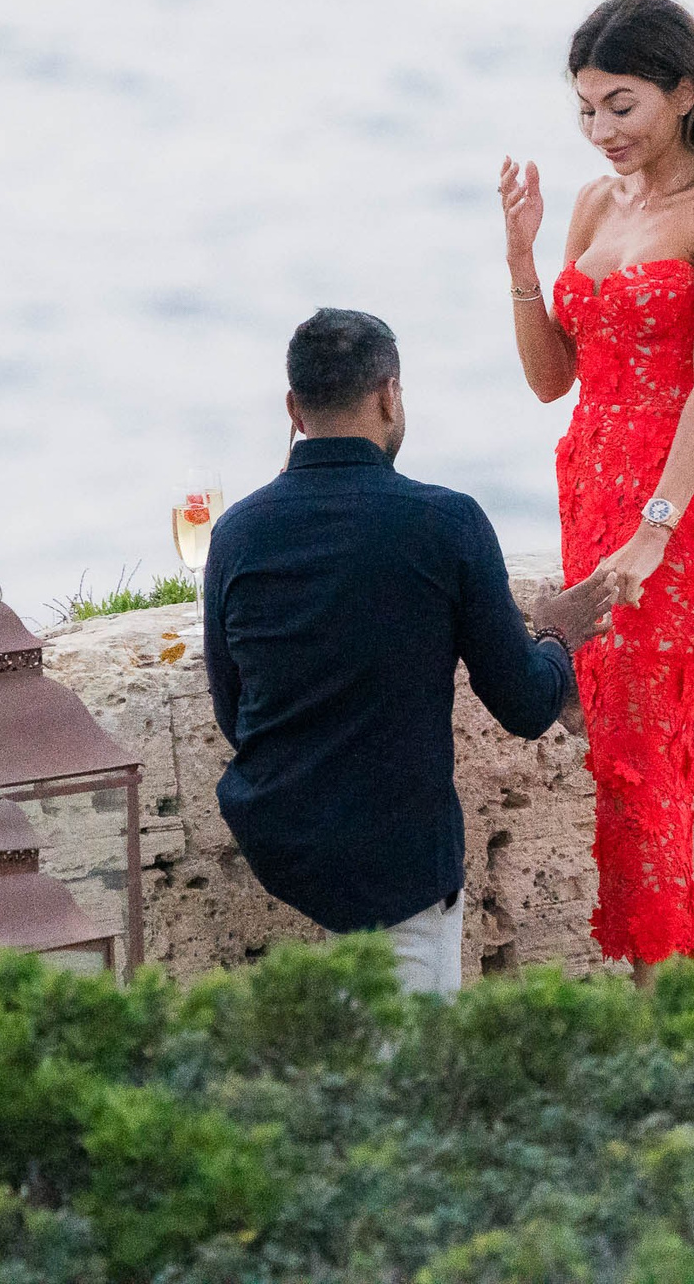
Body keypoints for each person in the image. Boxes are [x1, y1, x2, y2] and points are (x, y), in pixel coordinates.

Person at [201, 308, 620, 996]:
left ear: (293, 408)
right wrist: (552, 634)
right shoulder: (445, 524)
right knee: (411, 1084)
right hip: (397, 858)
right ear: (389, 394)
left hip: (288, 845)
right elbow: (523, 702)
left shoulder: (237, 535)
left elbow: (234, 711)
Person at [498, 0, 694, 979]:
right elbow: (548, 378)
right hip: (588, 486)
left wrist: (655, 525)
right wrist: (520, 260)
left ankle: (669, 1011)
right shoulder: (596, 204)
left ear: (682, 94)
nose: (600, 130)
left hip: (671, 503)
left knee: (642, 753)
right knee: (641, 752)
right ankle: (691, 1006)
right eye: (586, 109)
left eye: (621, 105)